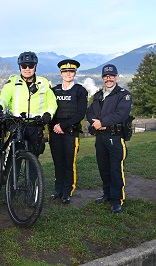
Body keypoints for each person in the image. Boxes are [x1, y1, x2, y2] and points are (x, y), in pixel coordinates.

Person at [0, 51, 57, 157]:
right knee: (15, 155)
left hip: (35, 124)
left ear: (35, 66)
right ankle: (9, 170)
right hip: (16, 123)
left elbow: (52, 102)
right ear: (20, 67)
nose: (27, 69)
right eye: (24, 66)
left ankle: (33, 173)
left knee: (34, 158)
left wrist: (48, 114)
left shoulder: (43, 82)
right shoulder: (12, 81)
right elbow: (4, 96)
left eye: (30, 66)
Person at [86, 64, 132, 213]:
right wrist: (95, 122)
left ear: (117, 77)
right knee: (103, 168)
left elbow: (121, 114)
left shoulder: (123, 95)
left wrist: (103, 122)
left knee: (115, 169)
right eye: (106, 76)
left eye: (111, 76)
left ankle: (117, 199)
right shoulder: (98, 95)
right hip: (100, 137)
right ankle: (107, 194)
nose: (109, 78)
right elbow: (90, 112)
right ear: (102, 78)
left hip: (115, 137)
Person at [49, 59, 88, 204]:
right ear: (61, 73)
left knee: (68, 163)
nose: (68, 74)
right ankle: (57, 189)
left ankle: (67, 191)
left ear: (75, 73)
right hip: (55, 132)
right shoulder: (54, 90)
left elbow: (80, 114)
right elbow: (50, 110)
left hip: (70, 133)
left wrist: (62, 126)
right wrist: (54, 125)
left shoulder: (80, 90)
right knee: (57, 162)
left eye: (71, 71)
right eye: (65, 72)